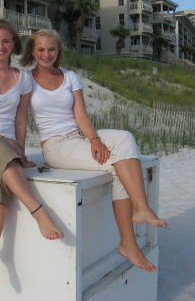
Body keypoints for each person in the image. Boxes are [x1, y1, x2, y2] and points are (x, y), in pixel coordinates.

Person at [20, 29, 168, 273]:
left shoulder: (70, 77)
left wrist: (95, 139)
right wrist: (20, 152)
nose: (47, 54)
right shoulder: (26, 80)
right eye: (41, 49)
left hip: (78, 137)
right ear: (33, 52)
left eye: (52, 49)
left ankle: (141, 209)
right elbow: (21, 120)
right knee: (116, 165)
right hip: (56, 146)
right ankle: (129, 242)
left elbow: (80, 114)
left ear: (59, 51)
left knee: (124, 138)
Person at [0, 20, 64, 290]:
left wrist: (19, 147)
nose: (0, 46)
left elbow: (20, 119)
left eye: (6, 41)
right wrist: (1, 139)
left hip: (5, 148)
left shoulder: (24, 78)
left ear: (14, 45)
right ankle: (38, 211)